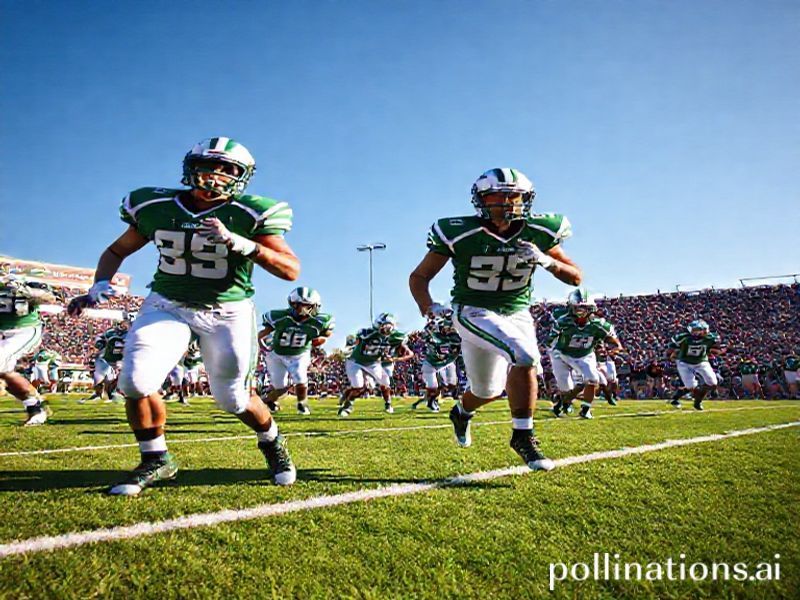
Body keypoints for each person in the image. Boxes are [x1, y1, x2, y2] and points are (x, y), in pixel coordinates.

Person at [68, 136, 300, 495]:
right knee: (135, 380)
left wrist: (244, 244)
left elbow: (290, 270)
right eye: (209, 165)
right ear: (191, 167)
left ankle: (271, 441)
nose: (216, 175)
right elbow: (116, 250)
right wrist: (99, 282)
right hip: (168, 303)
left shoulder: (250, 212)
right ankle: (156, 458)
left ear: (242, 176)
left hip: (227, 311)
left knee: (233, 399)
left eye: (228, 169)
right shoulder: (155, 205)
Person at [409, 167, 582, 471]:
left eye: (513, 196)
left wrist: (546, 261)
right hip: (473, 310)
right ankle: (523, 436)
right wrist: (429, 308)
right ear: (481, 200)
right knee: (524, 356)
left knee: (487, 391)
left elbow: (575, 278)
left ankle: (461, 412)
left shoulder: (539, 232)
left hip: (517, 312)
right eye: (496, 196)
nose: (505, 203)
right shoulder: (460, 232)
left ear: (525, 199)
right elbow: (419, 276)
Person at [259, 287, 334, 415]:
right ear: (294, 304)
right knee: (280, 389)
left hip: (299, 353)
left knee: (300, 378)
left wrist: (318, 340)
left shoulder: (319, 321)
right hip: (277, 354)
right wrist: (262, 347)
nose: (306, 309)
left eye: (309, 306)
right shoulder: (280, 317)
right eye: (303, 305)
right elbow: (261, 334)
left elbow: (326, 335)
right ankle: (265, 402)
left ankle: (302, 404)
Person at [549, 288, 622, 419]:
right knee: (565, 387)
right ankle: (563, 402)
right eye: (577, 308)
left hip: (584, 354)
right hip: (562, 354)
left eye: (584, 308)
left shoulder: (599, 324)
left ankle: (585, 409)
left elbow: (612, 340)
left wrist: (616, 347)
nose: (580, 312)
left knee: (593, 379)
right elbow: (551, 339)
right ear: (571, 308)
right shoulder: (563, 322)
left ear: (591, 308)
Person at [0, 275, 56, 425]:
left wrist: (25, 291)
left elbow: (50, 298)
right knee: (5, 372)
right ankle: (35, 407)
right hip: (2, 332)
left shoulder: (19, 280)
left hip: (24, 330)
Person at [338, 313, 413, 416]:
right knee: (358, 386)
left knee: (386, 382)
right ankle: (348, 405)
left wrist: (394, 357)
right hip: (356, 362)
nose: (386, 329)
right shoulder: (367, 333)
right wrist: (348, 348)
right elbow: (355, 341)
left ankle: (388, 403)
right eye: (384, 326)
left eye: (389, 326)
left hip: (373, 363)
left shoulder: (396, 337)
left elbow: (406, 351)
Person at [667, 319, 724, 410]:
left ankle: (697, 402)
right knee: (691, 386)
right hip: (684, 362)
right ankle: (685, 396)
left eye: (700, 330)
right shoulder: (684, 338)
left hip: (701, 361)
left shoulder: (710, 338)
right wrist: (672, 355)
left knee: (713, 383)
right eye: (695, 330)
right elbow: (671, 348)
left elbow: (717, 348)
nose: (698, 332)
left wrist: (715, 350)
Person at [412, 312, 462, 412]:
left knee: (451, 385)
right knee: (433, 387)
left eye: (449, 328)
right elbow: (424, 334)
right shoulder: (432, 336)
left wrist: (452, 356)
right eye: (445, 328)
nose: (448, 330)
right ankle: (431, 402)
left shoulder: (455, 337)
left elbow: (458, 349)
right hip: (431, 363)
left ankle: (428, 399)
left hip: (446, 363)